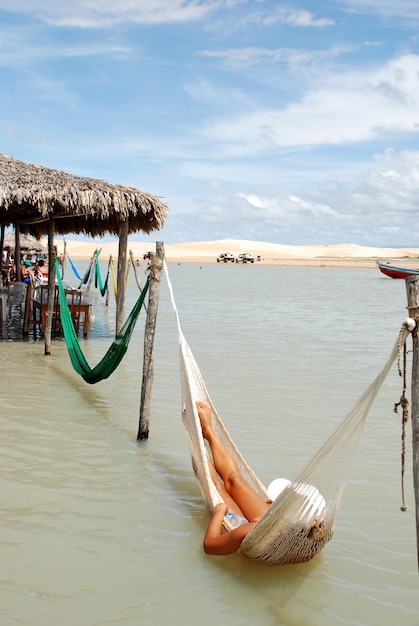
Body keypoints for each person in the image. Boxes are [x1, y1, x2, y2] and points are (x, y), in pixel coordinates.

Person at [196, 401, 271, 555]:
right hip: (273, 522)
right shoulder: (307, 529)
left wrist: (219, 512)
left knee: (217, 487)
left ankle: (196, 437)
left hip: (262, 536)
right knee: (235, 479)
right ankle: (208, 430)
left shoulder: (249, 532)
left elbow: (209, 546)